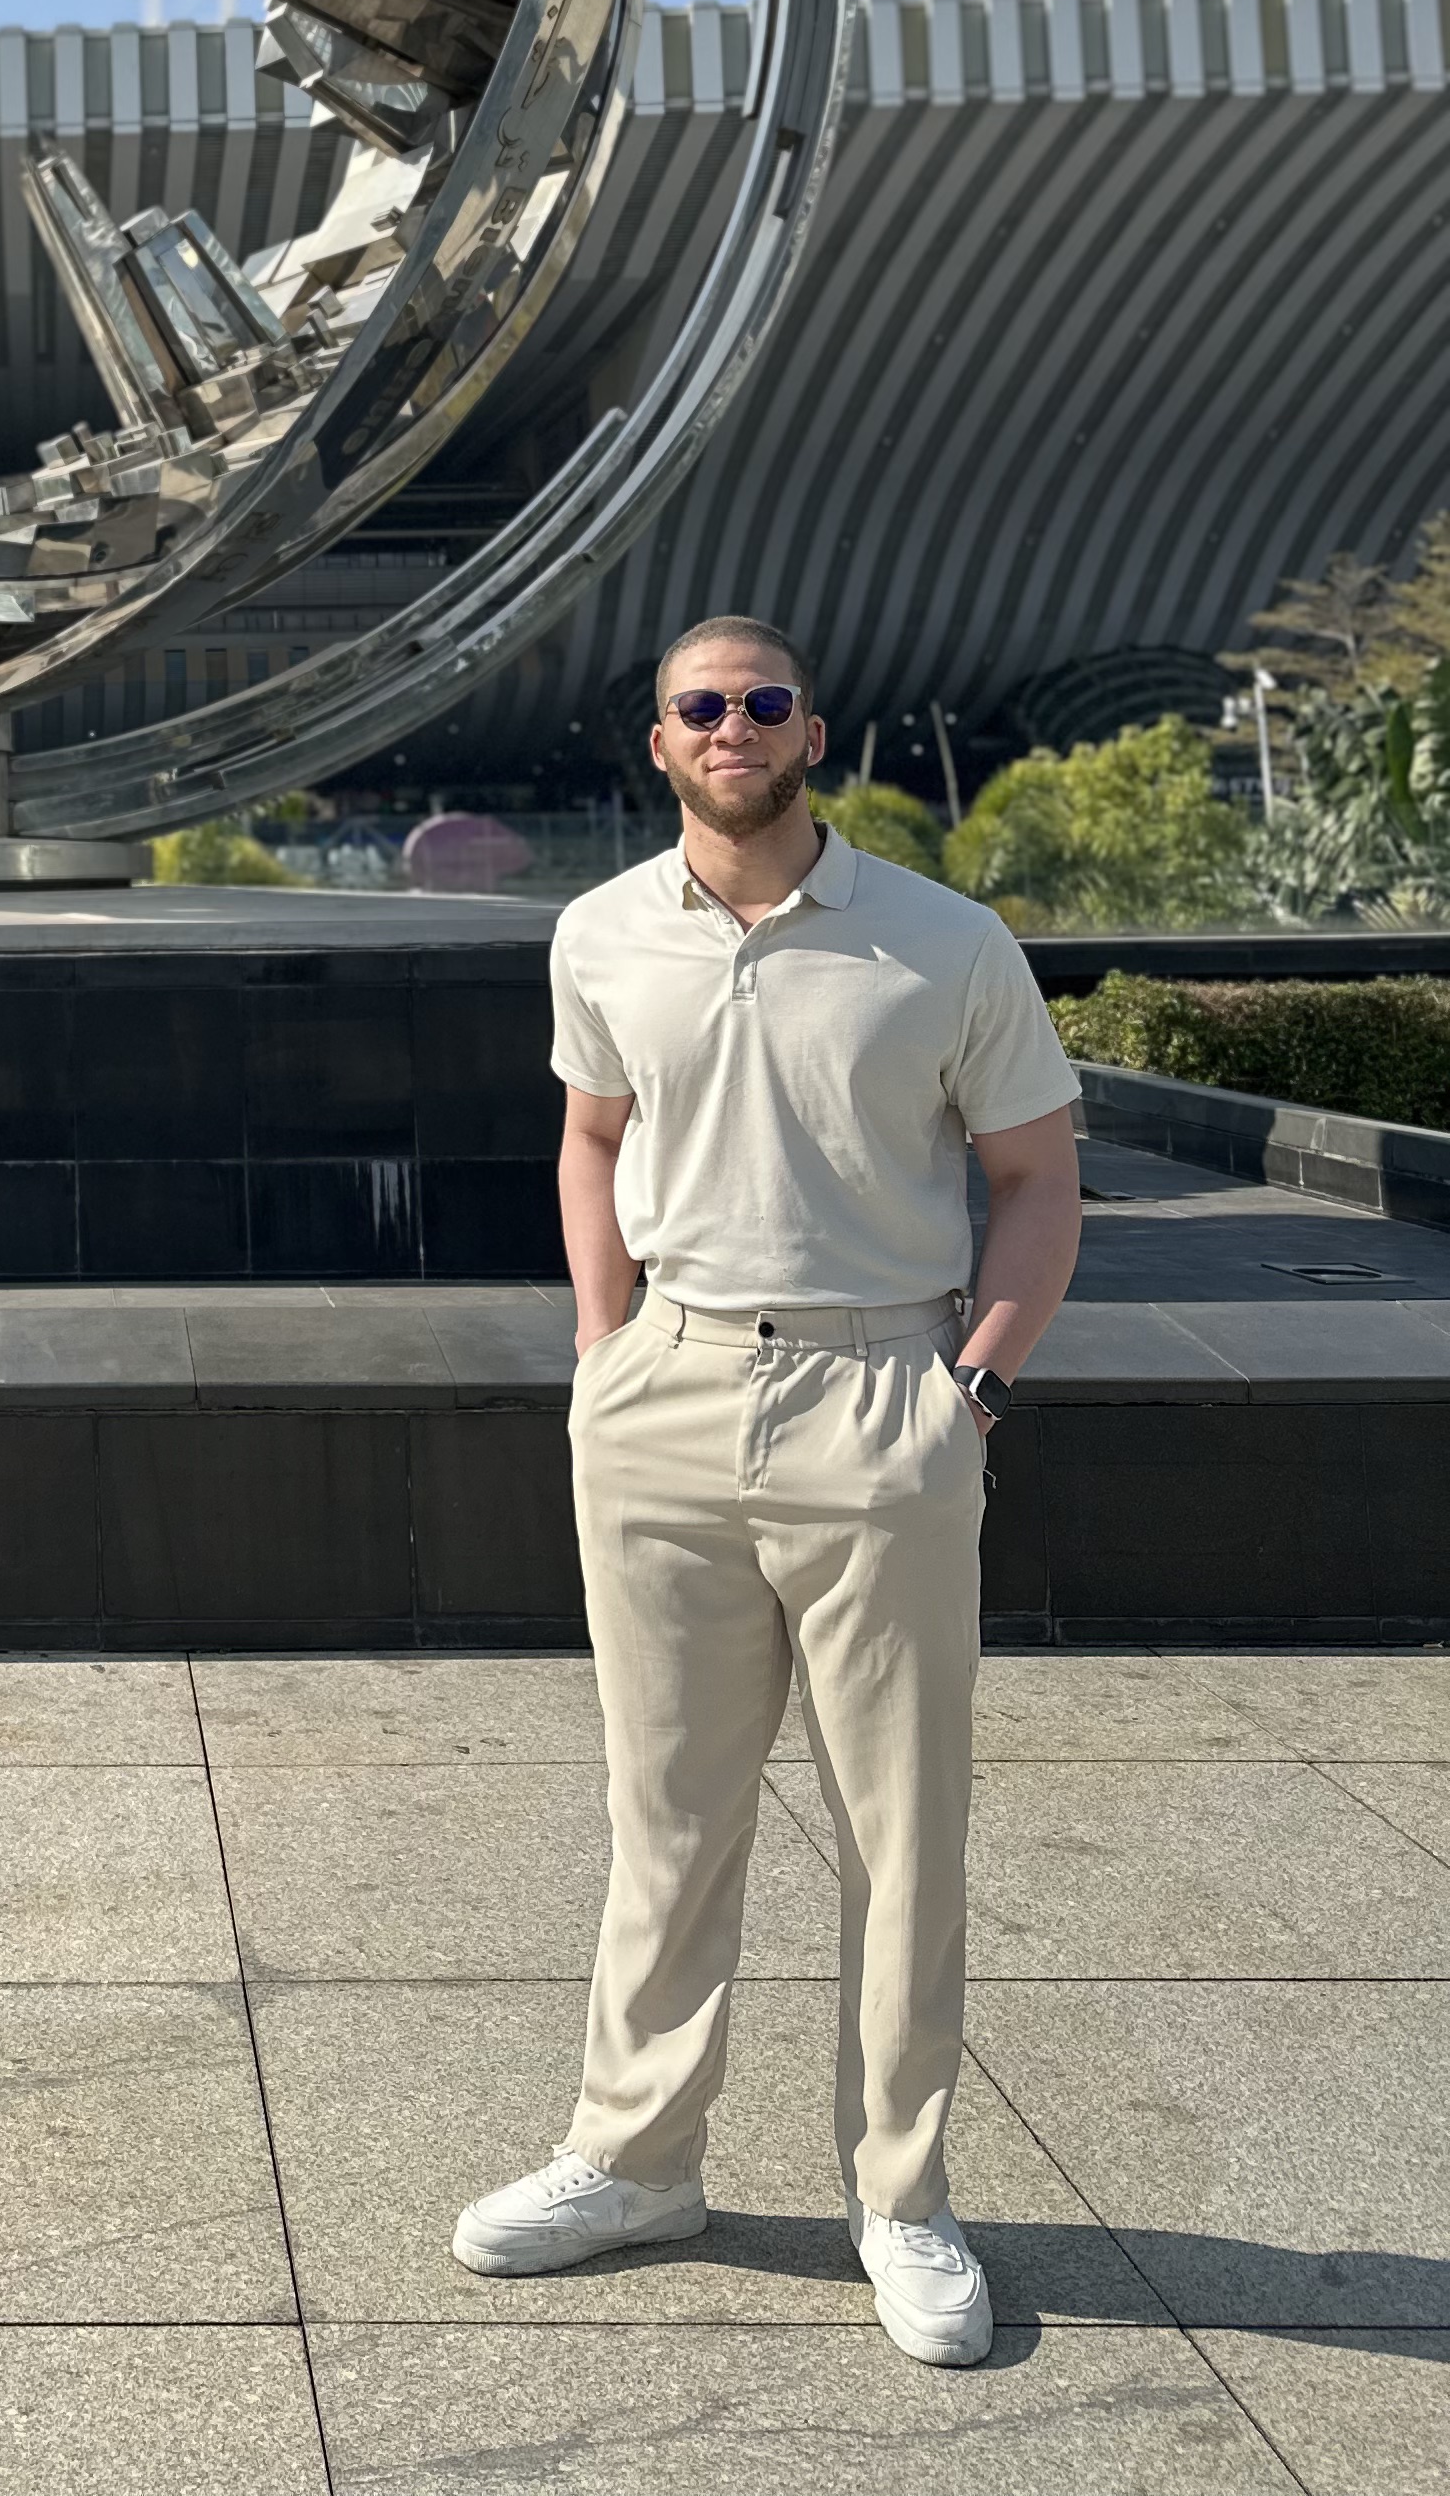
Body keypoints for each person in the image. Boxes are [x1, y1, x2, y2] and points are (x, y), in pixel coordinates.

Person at [453, 614, 1080, 2368]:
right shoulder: (601, 935)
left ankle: (902, 2197)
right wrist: (604, 1349)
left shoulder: (942, 944)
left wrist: (972, 1388)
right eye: (699, 708)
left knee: (902, 1832)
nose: (734, 728)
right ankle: (635, 2159)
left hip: (885, 1387)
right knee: (665, 1809)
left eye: (763, 702)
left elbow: (1036, 1178)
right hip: (667, 1391)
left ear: (817, 730)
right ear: (658, 745)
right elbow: (594, 1135)